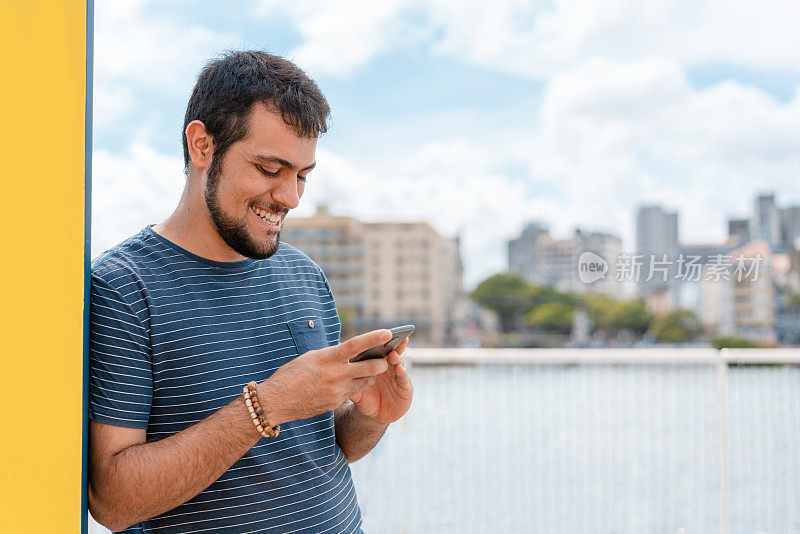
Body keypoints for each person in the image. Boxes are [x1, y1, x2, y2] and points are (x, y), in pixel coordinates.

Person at [88, 50, 413, 533]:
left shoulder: (305, 275)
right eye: (269, 169)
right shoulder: (121, 287)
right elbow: (112, 502)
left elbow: (327, 447)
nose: (290, 198)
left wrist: (371, 417)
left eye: (302, 176)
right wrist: (266, 406)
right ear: (202, 146)